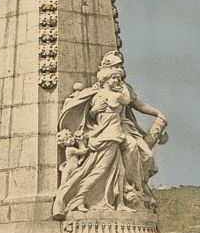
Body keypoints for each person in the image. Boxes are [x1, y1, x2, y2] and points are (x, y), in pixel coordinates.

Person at [52, 55, 167, 219]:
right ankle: (75, 199)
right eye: (116, 72)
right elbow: (94, 113)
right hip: (107, 136)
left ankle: (131, 195)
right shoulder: (103, 93)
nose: (119, 74)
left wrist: (157, 113)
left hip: (119, 132)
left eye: (120, 71)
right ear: (108, 74)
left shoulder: (120, 89)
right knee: (102, 169)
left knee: (134, 162)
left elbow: (136, 103)